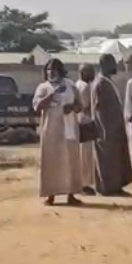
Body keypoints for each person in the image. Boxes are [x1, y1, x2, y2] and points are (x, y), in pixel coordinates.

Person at [32, 58, 84, 206]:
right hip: (51, 130)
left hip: (69, 129)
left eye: (54, 69)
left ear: (61, 70)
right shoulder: (43, 87)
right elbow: (37, 107)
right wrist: (51, 95)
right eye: (48, 69)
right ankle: (50, 195)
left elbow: (80, 105)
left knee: (70, 162)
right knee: (51, 163)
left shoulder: (70, 85)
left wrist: (72, 107)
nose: (51, 72)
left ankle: (71, 194)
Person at [90, 54, 132, 196]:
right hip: (107, 130)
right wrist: (105, 131)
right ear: (104, 65)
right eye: (112, 64)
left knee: (116, 159)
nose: (115, 66)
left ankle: (115, 186)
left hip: (115, 128)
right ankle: (108, 188)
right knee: (107, 160)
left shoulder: (108, 82)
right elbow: (99, 110)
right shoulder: (100, 83)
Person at [75, 63, 97, 195]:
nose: (93, 75)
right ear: (84, 73)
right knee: (86, 155)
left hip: (81, 122)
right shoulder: (83, 87)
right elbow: (86, 107)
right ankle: (84, 184)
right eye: (91, 72)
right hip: (85, 123)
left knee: (85, 154)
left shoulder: (78, 85)